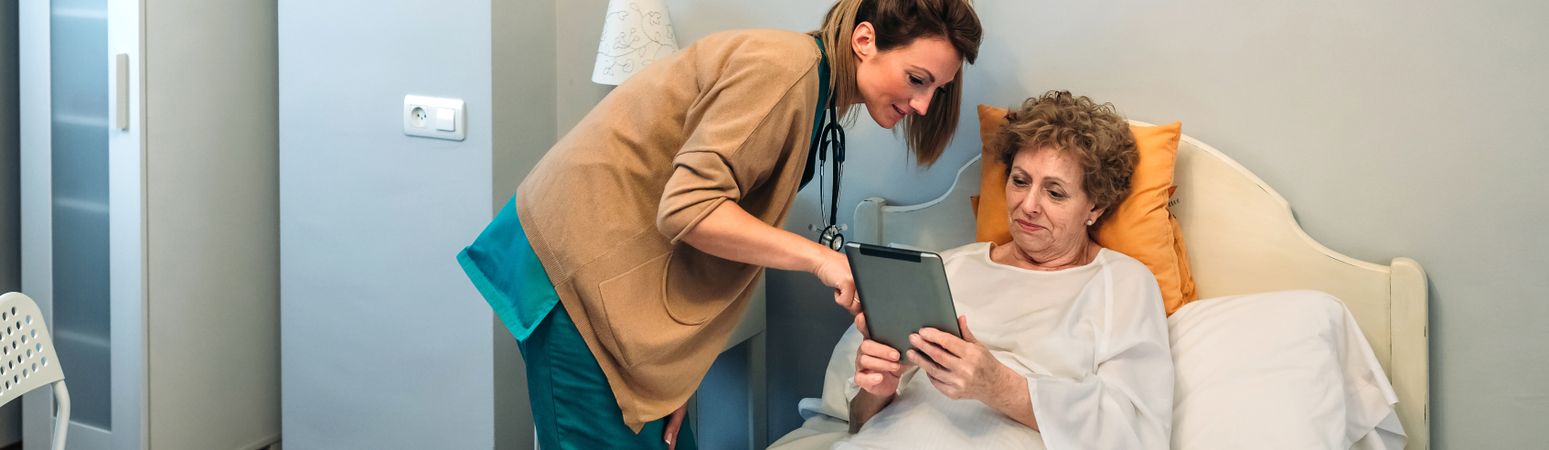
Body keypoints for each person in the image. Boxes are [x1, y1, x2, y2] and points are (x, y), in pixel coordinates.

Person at [456, 1, 982, 448]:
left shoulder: (811, 89)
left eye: (935, 89)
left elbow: (713, 221)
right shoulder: (786, 69)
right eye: (917, 80)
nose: (921, 104)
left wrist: (673, 371)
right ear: (864, 40)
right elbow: (688, 208)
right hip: (570, 275)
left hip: (611, 285)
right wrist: (824, 260)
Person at [838, 91, 1174, 449]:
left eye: (1055, 193)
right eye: (1020, 181)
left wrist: (998, 386)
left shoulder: (1122, 283)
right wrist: (879, 390)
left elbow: (1133, 433)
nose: (1028, 205)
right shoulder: (948, 269)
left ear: (1095, 207)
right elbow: (857, 422)